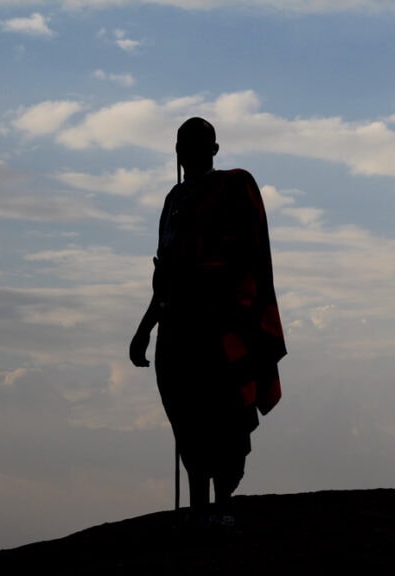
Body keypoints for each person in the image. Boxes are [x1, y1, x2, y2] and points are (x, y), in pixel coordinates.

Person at [129, 117, 286, 525]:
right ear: (176, 151)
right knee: (186, 422)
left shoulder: (233, 187)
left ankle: (222, 505)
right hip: (176, 327)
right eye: (182, 145)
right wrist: (144, 329)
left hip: (217, 327)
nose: (187, 153)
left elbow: (247, 259)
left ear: (213, 150)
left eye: (197, 145)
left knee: (222, 418)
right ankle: (199, 507)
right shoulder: (173, 201)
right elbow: (163, 274)